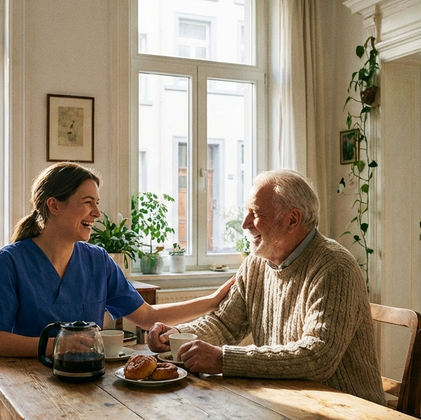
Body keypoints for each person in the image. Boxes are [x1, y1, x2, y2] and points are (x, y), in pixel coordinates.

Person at [0, 162, 233, 420]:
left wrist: (213, 301)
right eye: (87, 203)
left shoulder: (97, 260)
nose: (96, 213)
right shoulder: (9, 262)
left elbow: (147, 316)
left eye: (96, 203)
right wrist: (59, 345)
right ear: (54, 205)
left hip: (85, 390)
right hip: (17, 396)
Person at [147, 169, 385, 405]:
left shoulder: (335, 267)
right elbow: (225, 324)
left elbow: (317, 357)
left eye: (256, 214)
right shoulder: (256, 263)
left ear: (292, 220)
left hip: (348, 409)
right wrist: (176, 336)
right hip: (286, 401)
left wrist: (223, 359)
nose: (245, 224)